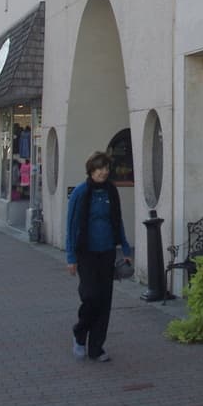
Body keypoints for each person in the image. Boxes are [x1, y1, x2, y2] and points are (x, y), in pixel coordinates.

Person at [66, 151, 132, 362]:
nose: (104, 172)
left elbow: (117, 220)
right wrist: (71, 257)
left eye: (106, 168)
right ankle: (79, 334)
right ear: (91, 170)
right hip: (86, 252)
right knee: (91, 296)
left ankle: (96, 347)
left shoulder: (111, 191)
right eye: (99, 168)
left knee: (105, 300)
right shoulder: (80, 192)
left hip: (107, 251)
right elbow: (72, 226)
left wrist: (126, 249)